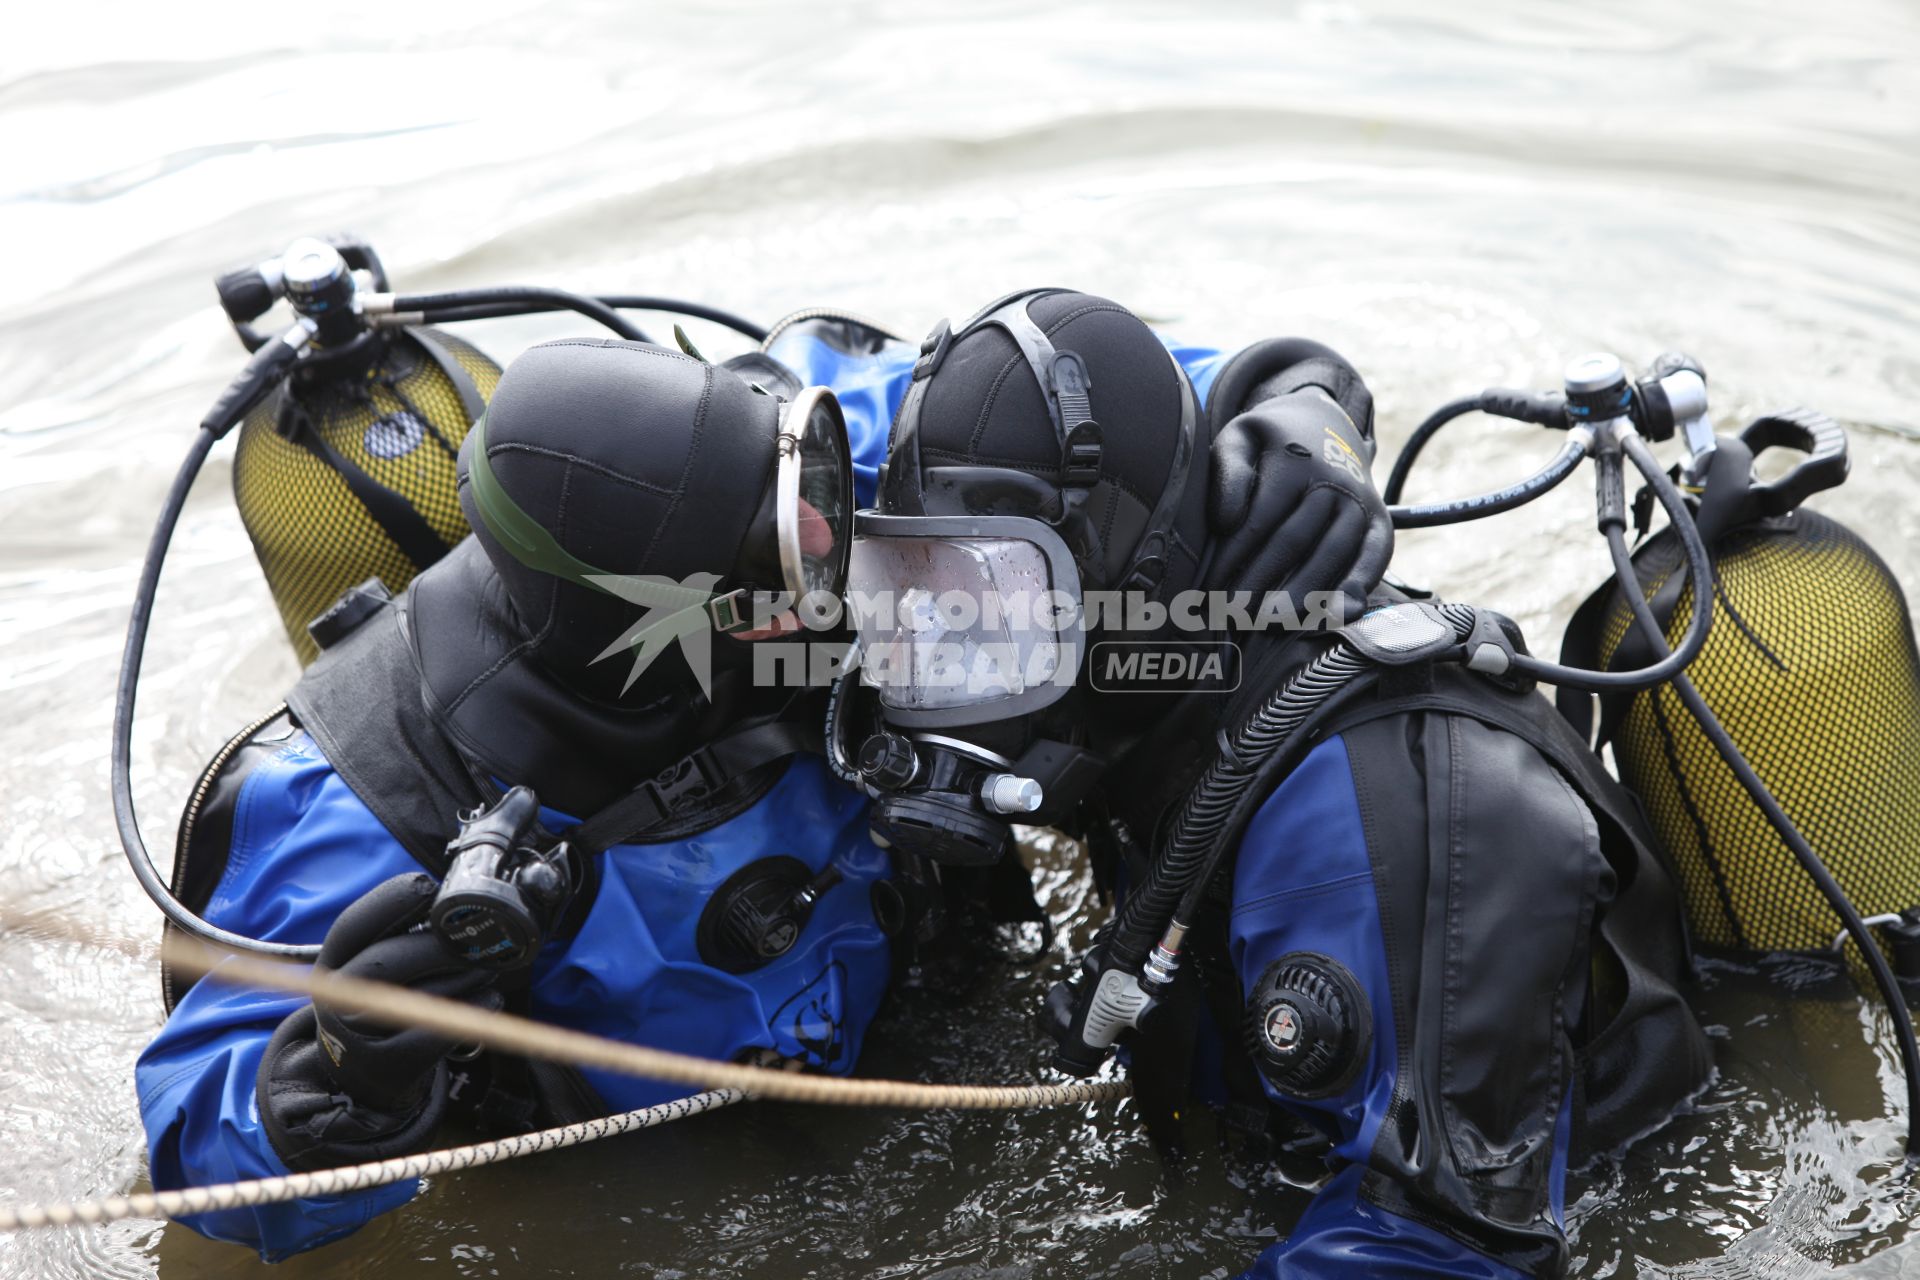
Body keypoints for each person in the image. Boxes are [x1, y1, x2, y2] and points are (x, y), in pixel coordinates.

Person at [838, 287, 1715, 1278]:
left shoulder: (1358, 810)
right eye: (919, 590)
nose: (949, 657)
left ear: (1141, 578)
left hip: (1614, 1194)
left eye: (997, 600)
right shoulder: (1143, 709)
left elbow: (1438, 1247)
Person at [136, 324, 910, 1260]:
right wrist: (345, 1070)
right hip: (648, 1185)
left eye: (804, 509)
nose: (831, 552)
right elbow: (197, 1157)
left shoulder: (800, 492)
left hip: (899, 1010)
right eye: (777, 562)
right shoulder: (369, 801)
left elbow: (912, 400)